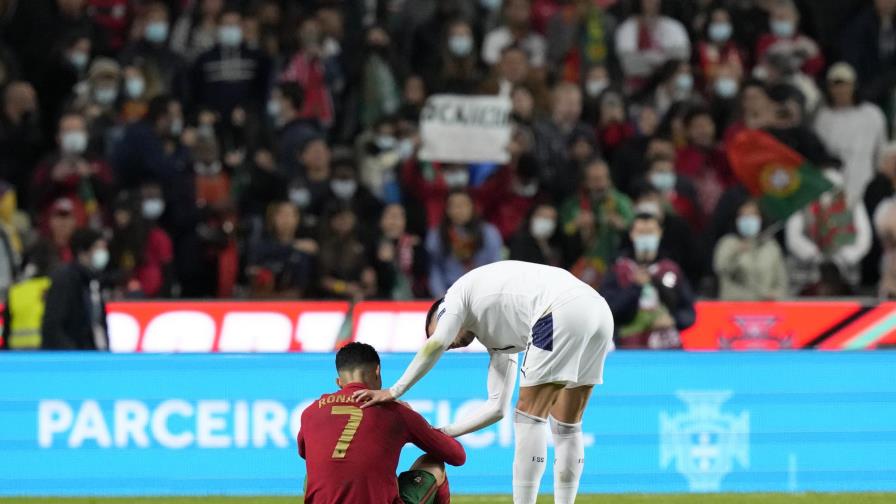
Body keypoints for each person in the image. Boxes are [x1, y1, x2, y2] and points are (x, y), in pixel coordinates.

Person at [353, 260, 614, 504]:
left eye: (440, 329)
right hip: (598, 311)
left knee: (528, 418)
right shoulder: (499, 337)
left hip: (559, 310)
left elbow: (437, 342)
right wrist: (440, 433)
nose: (450, 345)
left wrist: (394, 390)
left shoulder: (454, 299)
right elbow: (496, 408)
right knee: (567, 425)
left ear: (441, 314)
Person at [298, 342, 464, 504]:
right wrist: (414, 416)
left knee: (313, 474)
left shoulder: (310, 412)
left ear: (339, 382)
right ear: (377, 371)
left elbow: (306, 453)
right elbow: (457, 456)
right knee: (433, 463)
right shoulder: (396, 412)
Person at [601, 213, 696, 349]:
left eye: (650, 232)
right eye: (641, 232)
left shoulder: (670, 269)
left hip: (668, 348)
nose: (646, 237)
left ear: (660, 233)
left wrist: (674, 320)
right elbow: (608, 311)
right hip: (629, 349)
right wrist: (635, 287)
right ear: (632, 234)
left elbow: (689, 312)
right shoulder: (618, 269)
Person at [785, 169, 872, 296]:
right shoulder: (803, 202)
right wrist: (814, 256)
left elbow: (864, 238)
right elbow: (793, 237)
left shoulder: (853, 202)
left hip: (846, 277)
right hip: (807, 277)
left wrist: (843, 258)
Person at [813, 62, 887, 205]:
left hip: (866, 183)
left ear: (853, 85)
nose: (840, 90)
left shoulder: (872, 114)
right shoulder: (823, 117)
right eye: (836, 85)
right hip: (835, 187)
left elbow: (881, 151)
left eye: (845, 84)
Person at [560, 157, 633, 289]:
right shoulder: (574, 204)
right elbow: (564, 230)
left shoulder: (621, 202)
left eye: (602, 179)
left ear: (609, 179)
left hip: (615, 262)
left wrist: (620, 224)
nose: (599, 184)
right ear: (586, 182)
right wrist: (577, 225)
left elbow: (632, 226)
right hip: (582, 263)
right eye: (594, 180)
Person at [41, 228, 110, 350]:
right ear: (82, 251)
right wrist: (72, 354)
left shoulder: (94, 281)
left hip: (93, 356)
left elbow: (98, 323)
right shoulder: (65, 280)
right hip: (73, 359)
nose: (103, 253)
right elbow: (53, 325)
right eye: (98, 248)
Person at [425, 191, 503, 297]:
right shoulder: (436, 236)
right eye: (455, 206)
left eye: (464, 205)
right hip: (450, 294)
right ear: (447, 210)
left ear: (472, 207)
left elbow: (497, 268)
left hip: (484, 294)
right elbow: (435, 270)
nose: (460, 210)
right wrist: (441, 298)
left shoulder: (489, 233)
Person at [713, 199, 789, 300]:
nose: (748, 219)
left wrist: (775, 295)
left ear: (760, 218)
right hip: (735, 308)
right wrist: (736, 251)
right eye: (743, 216)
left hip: (766, 309)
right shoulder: (728, 243)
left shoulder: (771, 247)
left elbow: (782, 281)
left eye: (752, 215)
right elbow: (720, 268)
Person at [615, 0, 691, 92]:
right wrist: (663, 63)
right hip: (638, 90)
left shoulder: (674, 27)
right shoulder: (627, 28)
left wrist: (646, 59)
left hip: (670, 87)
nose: (653, 3)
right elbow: (629, 65)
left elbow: (681, 59)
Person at [246, 200, 317, 299]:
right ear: (272, 218)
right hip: (262, 301)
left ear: (297, 219)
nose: (285, 219)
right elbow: (252, 273)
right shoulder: (260, 246)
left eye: (289, 215)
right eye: (281, 215)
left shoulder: (305, 249)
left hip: (296, 303)